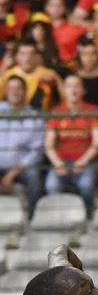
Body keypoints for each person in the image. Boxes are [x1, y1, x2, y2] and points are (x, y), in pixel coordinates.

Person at [43, 74, 98, 209]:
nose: (73, 90)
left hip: (86, 162)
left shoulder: (92, 110)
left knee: (86, 185)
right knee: (51, 186)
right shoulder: (57, 112)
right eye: (69, 86)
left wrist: (83, 161)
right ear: (63, 90)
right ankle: (61, 217)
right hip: (62, 162)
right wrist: (57, 163)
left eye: (77, 86)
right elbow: (49, 144)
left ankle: (88, 215)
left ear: (83, 90)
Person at [0, 76, 46, 209]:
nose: (14, 92)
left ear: (25, 92)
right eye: (11, 88)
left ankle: (32, 218)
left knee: (34, 176)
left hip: (21, 169)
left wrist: (12, 173)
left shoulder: (35, 117)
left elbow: (36, 153)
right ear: (6, 92)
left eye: (18, 88)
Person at [3, 37, 62, 110]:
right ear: (16, 56)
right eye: (23, 54)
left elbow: (63, 98)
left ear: (37, 56)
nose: (27, 58)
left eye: (31, 53)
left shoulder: (50, 74)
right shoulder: (8, 75)